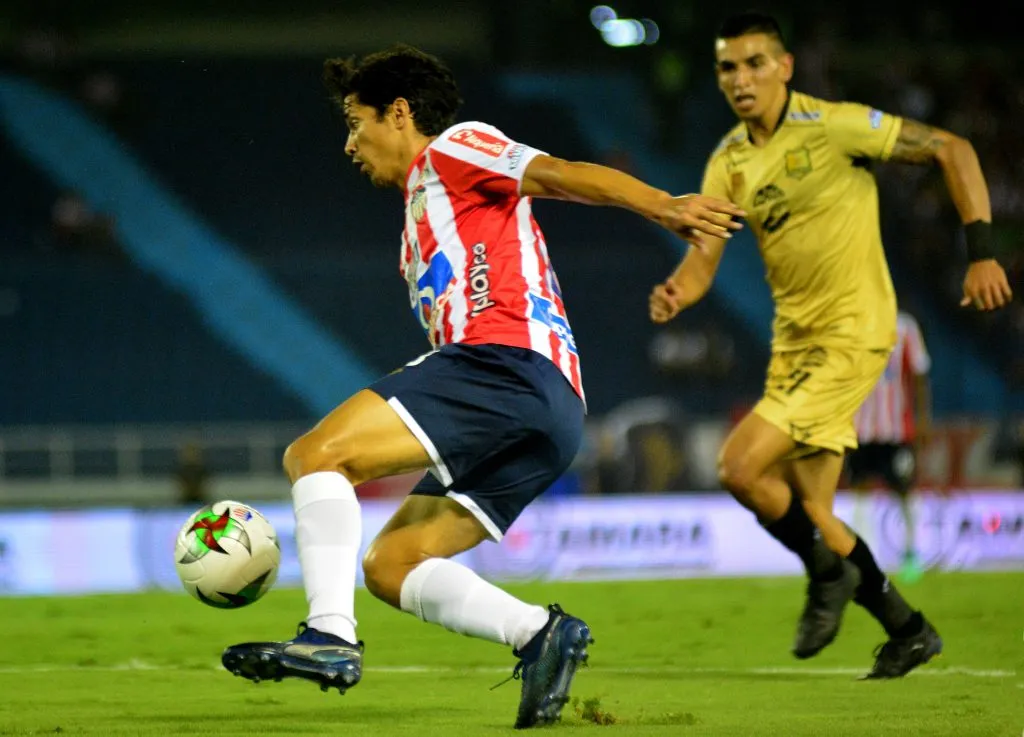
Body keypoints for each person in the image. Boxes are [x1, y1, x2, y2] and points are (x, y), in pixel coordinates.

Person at [221, 44, 744, 728]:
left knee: (315, 456)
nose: (350, 143)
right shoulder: (417, 226)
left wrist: (662, 206)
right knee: (392, 563)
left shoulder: (455, 150)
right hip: (549, 409)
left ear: (400, 113)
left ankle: (329, 635)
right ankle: (540, 634)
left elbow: (557, 174)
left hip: (505, 364)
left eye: (357, 122)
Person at [648, 12, 1012, 679]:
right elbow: (704, 260)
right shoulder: (728, 159)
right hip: (794, 342)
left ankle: (825, 576)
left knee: (739, 465)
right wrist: (677, 289)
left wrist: (981, 254)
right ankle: (908, 628)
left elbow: (953, 149)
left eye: (755, 62)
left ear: (784, 67)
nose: (740, 79)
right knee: (812, 511)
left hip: (853, 332)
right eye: (728, 67)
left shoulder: (837, 125)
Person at [848, 309, 931, 583]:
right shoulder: (849, 322)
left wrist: (923, 421)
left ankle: (910, 555)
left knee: (904, 489)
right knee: (861, 489)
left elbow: (919, 376)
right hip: (860, 428)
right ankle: (864, 559)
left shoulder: (906, 327)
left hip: (896, 430)